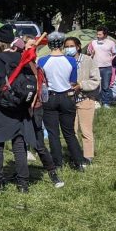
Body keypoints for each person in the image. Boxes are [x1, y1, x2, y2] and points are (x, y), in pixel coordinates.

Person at [0, 25, 54, 192]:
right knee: (19, 146)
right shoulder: (23, 57)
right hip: (20, 107)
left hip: (0, 107)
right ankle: (23, 184)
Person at [39, 36, 86, 174]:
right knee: (69, 132)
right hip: (67, 97)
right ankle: (78, 162)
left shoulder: (42, 61)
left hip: (50, 98)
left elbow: (42, 81)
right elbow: (73, 81)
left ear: (49, 45)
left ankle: (57, 163)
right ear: (62, 45)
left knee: (53, 133)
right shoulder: (71, 60)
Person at [65, 36, 99, 168]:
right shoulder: (64, 60)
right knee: (71, 130)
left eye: (71, 46)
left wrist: (81, 85)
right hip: (69, 100)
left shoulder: (87, 60)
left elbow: (95, 80)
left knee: (86, 130)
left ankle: (88, 156)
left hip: (85, 98)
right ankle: (75, 155)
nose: (69, 49)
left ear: (78, 46)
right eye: (66, 46)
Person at [87, 27, 116, 106]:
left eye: (100, 34)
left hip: (107, 67)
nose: (98, 36)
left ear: (105, 35)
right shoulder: (93, 42)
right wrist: (91, 53)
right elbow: (88, 54)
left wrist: (110, 60)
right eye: (97, 34)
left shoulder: (111, 43)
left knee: (105, 86)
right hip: (95, 67)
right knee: (94, 86)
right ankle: (95, 101)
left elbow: (114, 54)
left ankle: (105, 103)